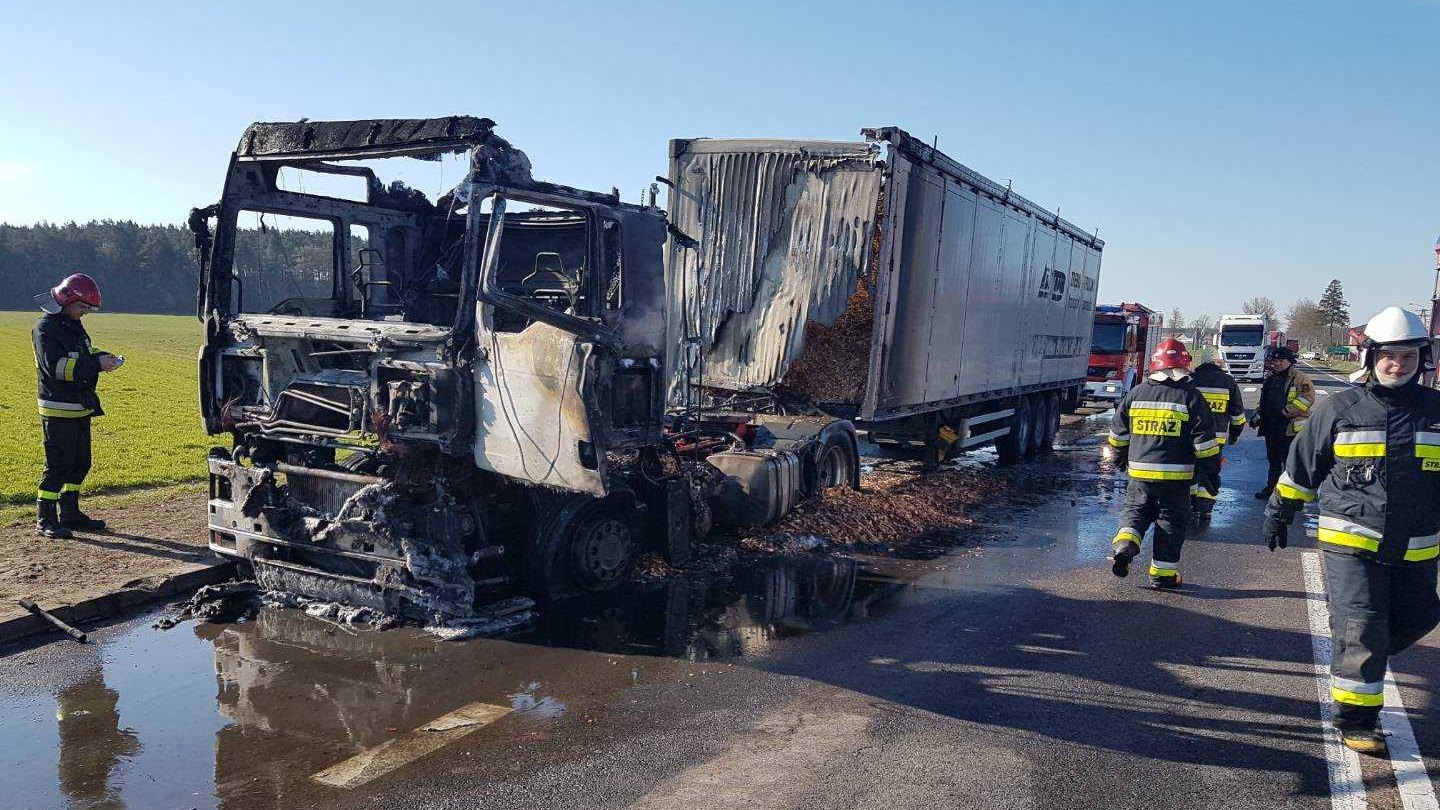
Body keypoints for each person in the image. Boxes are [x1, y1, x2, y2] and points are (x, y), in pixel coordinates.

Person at [1264, 306, 1440, 755]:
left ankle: (1358, 653)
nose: (1398, 365)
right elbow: (1304, 465)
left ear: (1423, 359)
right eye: (1389, 356)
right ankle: (1357, 720)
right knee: (1363, 626)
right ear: (1371, 357)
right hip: (1352, 542)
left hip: (1419, 547)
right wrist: (1281, 509)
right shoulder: (1339, 408)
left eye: (1407, 356)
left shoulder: (1437, 412)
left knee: (1420, 618)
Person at [1106, 338, 1220, 588]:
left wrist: (1122, 458)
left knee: (1135, 513)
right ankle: (1162, 575)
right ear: (1185, 366)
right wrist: (1211, 476)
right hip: (1176, 480)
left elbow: (1117, 436)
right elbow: (1205, 446)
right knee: (1170, 522)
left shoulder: (1136, 394)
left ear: (1155, 366)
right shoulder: (1191, 397)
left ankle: (1125, 546)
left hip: (1139, 475)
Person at [31, 273, 122, 539]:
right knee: (58, 466)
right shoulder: (45, 329)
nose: (85, 313)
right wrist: (96, 365)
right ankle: (45, 519)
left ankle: (70, 513)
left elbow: (84, 352)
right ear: (66, 299)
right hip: (58, 408)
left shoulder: (72, 325)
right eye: (82, 307)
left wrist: (103, 357)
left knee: (80, 463)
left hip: (79, 406)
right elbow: (57, 368)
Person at [1188, 346, 1247, 519]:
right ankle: (1205, 508)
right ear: (1217, 362)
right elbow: (1237, 414)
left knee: (1191, 470)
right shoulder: (1228, 382)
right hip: (1216, 439)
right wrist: (1235, 435)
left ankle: (1190, 503)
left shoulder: (1191, 379)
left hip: (1190, 437)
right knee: (1210, 471)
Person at [1252, 345, 1314, 499]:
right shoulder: (1270, 377)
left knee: (1290, 462)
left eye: (1281, 360)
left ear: (1289, 362)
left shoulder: (1300, 378)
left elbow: (1307, 399)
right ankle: (1271, 489)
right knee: (1273, 460)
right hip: (1271, 426)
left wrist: (1287, 411)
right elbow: (1264, 400)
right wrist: (1258, 415)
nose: (1277, 363)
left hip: (1290, 428)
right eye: (1275, 360)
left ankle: (1290, 493)